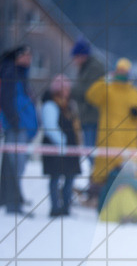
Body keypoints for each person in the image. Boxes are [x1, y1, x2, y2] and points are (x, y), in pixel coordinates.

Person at [85, 58, 137, 201]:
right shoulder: (107, 89)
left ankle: (125, 203)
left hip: (128, 142)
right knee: (105, 175)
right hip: (109, 140)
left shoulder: (134, 92)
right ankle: (101, 201)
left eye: (125, 72)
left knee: (128, 175)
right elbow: (91, 96)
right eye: (120, 71)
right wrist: (106, 79)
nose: (122, 74)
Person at [0, 45, 37, 215]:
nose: (29, 59)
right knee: (14, 166)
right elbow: (6, 99)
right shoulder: (11, 72)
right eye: (26, 55)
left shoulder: (21, 73)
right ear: (18, 57)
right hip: (15, 127)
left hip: (22, 127)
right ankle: (13, 204)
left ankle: (12, 199)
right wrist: (14, 121)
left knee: (16, 165)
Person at [40, 74, 82, 217]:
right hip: (55, 148)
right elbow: (50, 127)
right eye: (64, 88)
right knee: (55, 179)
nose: (67, 91)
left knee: (69, 179)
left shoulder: (70, 105)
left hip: (71, 148)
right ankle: (55, 208)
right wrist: (62, 143)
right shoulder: (50, 105)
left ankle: (66, 208)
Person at [69, 39, 105, 170]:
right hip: (87, 116)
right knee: (90, 152)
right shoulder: (86, 67)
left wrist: (69, 90)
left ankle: (97, 181)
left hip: (93, 117)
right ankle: (94, 180)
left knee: (93, 152)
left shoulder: (94, 68)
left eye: (75, 57)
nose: (74, 61)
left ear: (82, 55)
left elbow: (89, 92)